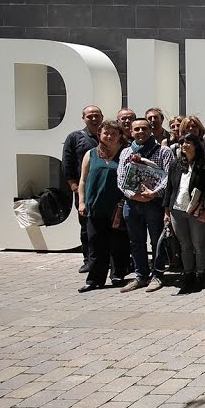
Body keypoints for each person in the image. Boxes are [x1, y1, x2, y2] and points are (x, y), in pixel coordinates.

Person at [118, 117, 174, 293]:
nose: (140, 132)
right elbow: (120, 179)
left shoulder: (163, 151)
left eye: (144, 129)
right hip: (132, 204)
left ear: (151, 130)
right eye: (137, 129)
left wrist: (154, 193)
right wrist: (132, 195)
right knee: (136, 241)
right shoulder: (126, 152)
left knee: (157, 240)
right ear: (131, 132)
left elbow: (169, 177)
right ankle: (141, 275)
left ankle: (158, 275)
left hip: (154, 203)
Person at [76, 121, 130, 292]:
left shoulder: (125, 154)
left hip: (118, 208)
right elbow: (83, 181)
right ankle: (94, 279)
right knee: (96, 245)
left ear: (120, 135)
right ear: (99, 134)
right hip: (95, 206)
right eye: (106, 133)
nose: (109, 136)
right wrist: (82, 202)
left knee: (118, 244)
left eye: (114, 133)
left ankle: (117, 275)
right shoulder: (90, 154)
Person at [165, 134, 205, 294]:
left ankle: (200, 274)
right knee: (184, 245)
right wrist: (166, 210)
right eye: (181, 143)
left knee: (198, 244)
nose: (184, 145)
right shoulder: (175, 164)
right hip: (177, 209)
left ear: (196, 145)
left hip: (196, 209)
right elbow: (169, 188)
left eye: (188, 142)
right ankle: (188, 273)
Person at [63, 104, 103, 274]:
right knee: (87, 228)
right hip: (84, 190)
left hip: (106, 189)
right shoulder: (75, 137)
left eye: (96, 115)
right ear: (83, 118)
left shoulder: (107, 135)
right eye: (90, 116)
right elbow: (67, 162)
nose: (94, 119)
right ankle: (88, 261)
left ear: (102, 117)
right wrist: (73, 185)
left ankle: (105, 259)